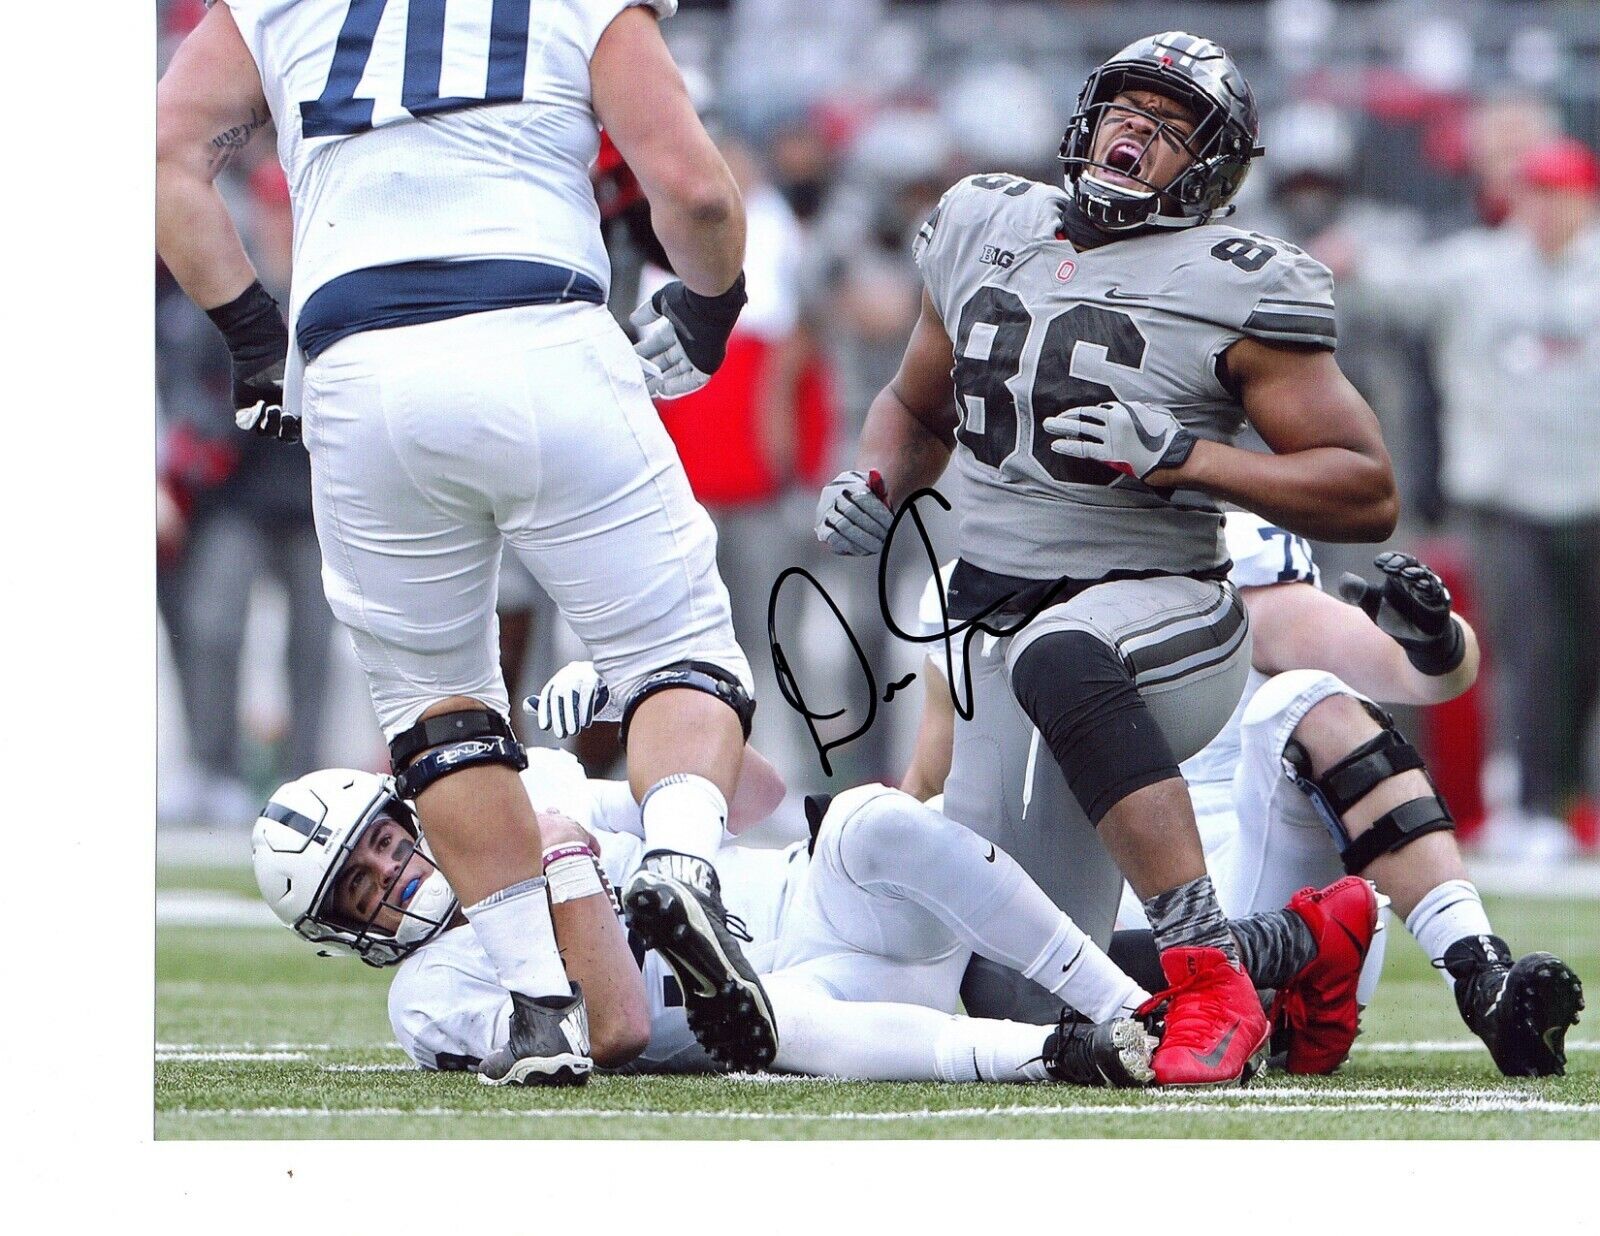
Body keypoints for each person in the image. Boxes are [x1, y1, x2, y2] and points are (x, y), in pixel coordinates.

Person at [156, 0, 772, 1082]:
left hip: (357, 361)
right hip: (538, 328)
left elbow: (163, 156)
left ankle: (536, 1005)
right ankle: (680, 862)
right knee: (679, 650)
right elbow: (695, 188)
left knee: (436, 705)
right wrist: (712, 306)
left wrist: (257, 342)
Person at [814, 31, 1397, 1085]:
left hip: (1158, 614)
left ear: (1211, 168)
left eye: (1172, 125)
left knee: (1063, 652)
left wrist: (1186, 455)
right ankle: (1300, 948)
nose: (1137, 129)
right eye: (1128, 106)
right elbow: (914, 403)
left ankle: (1212, 971)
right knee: (1010, 990)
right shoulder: (985, 223)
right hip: (994, 625)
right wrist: (876, 481)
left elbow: (1364, 485)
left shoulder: (1236, 284)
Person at [252, 720, 1376, 1085]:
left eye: (385, 851)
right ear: (339, 934)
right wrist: (573, 875)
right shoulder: (430, 997)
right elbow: (619, 1029)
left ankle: (1138, 1008)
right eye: (361, 890)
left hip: (817, 898)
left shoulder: (526, 784)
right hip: (797, 1001)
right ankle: (1064, 1055)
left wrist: (624, 725)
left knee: (876, 816)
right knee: (763, 1024)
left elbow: (770, 805)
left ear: (412, 813)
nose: (394, 881)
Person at [909, 514, 1585, 1077]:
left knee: (1302, 698)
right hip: (1083, 958)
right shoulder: (973, 587)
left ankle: (1481, 977)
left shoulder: (1216, 551)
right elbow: (931, 789)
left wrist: (1433, 641)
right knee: (937, 848)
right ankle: (1133, 1013)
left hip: (1274, 918)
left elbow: (1422, 674)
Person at [1338, 136, 1600, 862]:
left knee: (1584, 659)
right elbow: (1399, 285)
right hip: (1505, 498)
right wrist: (1346, 260)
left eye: (1559, 194)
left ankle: (1575, 802)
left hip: (1592, 496)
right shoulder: (1477, 268)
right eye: (1534, 194)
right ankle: (1533, 804)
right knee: (1527, 652)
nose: (1545, 209)